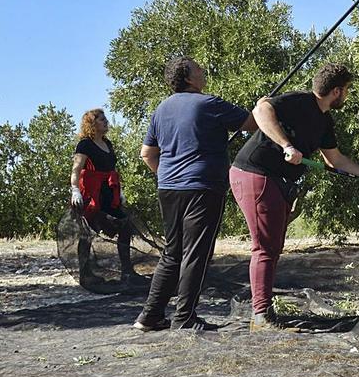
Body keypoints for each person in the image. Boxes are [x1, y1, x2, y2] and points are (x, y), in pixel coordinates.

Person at [230, 62, 359, 331]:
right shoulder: (301, 101)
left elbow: (334, 159)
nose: (347, 95)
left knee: (273, 245)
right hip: (254, 173)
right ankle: (261, 317)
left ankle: (264, 310)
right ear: (336, 91)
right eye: (347, 90)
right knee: (265, 247)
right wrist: (287, 145)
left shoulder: (324, 121)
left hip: (279, 181)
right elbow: (261, 108)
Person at [134, 56, 256, 331]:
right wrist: (263, 107)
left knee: (172, 252)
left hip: (168, 188)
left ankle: (150, 315)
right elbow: (251, 123)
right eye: (198, 69)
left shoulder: (161, 109)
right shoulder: (209, 103)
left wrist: (168, 175)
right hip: (202, 188)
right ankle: (184, 317)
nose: (203, 71)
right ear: (188, 77)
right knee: (196, 253)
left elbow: (147, 154)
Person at [70, 108, 140, 283]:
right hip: (92, 194)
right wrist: (75, 190)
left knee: (125, 225)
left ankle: (127, 270)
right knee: (88, 231)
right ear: (92, 124)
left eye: (105, 118)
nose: (106, 121)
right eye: (101, 119)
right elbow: (77, 169)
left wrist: (120, 192)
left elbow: (112, 170)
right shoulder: (84, 144)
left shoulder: (108, 144)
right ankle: (85, 273)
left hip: (109, 192)